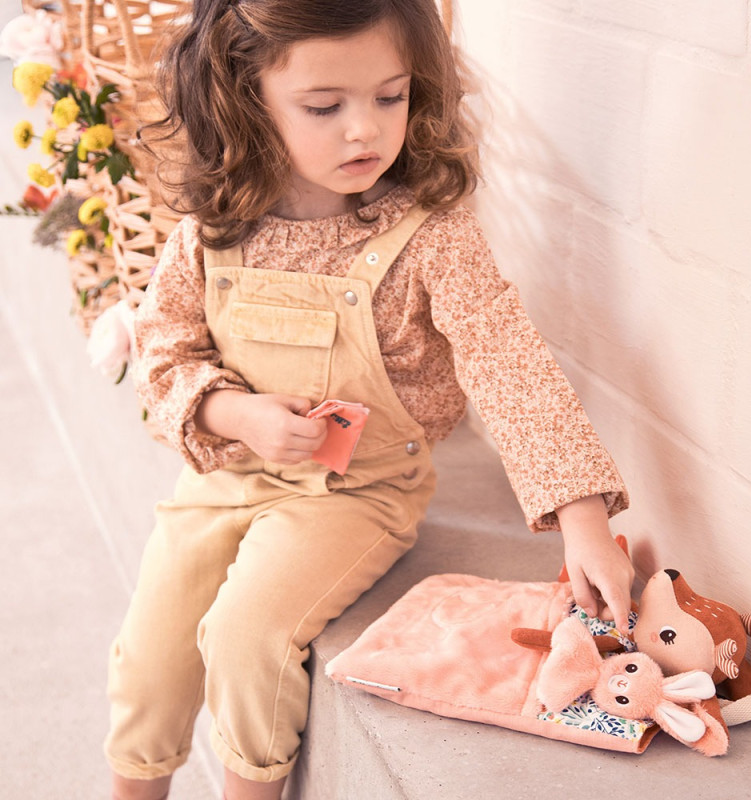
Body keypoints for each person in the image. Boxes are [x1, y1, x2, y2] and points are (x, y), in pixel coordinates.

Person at [105, 1, 633, 798]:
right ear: (247, 101)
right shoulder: (214, 230)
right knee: (149, 655)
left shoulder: (431, 235)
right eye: (324, 107)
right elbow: (164, 351)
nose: (366, 130)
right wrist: (234, 414)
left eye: (391, 96)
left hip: (357, 492)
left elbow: (506, 360)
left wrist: (584, 521)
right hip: (226, 479)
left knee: (248, 636)